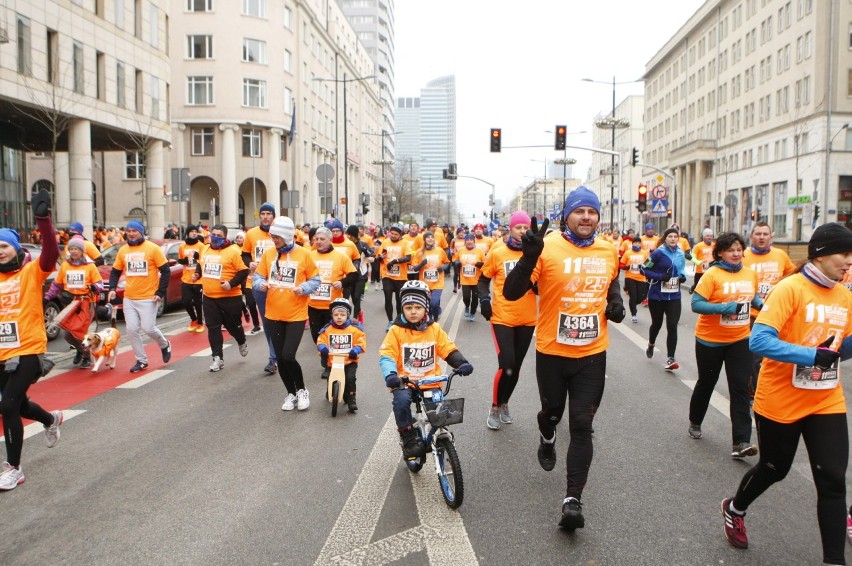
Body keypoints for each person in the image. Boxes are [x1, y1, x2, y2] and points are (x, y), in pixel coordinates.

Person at [720, 223, 852, 566]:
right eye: (844, 254)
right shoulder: (790, 289)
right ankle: (735, 509)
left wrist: (834, 351)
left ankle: (833, 561)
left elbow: (842, 346)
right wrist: (810, 355)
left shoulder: (844, 296)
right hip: (781, 399)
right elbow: (759, 341)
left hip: (825, 398)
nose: (849, 262)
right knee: (774, 468)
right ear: (821, 255)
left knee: (833, 481)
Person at [503, 186, 625, 530]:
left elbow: (611, 281)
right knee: (552, 413)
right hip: (552, 352)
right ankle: (546, 433)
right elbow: (512, 293)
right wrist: (529, 257)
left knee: (583, 426)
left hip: (592, 353)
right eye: (579, 211)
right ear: (566, 216)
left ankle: (572, 500)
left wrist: (615, 301)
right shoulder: (547, 246)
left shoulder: (608, 248)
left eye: (592, 212)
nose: (587, 217)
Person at [0, 190, 63, 491]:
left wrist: (43, 220)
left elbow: (50, 254)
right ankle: (50, 419)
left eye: (4, 247)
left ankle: (14, 468)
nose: (0, 251)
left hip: (28, 348)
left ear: (15, 249)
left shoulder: (30, 273)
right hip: (2, 351)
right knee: (20, 404)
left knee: (8, 404)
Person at [379, 281, 474, 460]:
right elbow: (387, 355)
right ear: (402, 309)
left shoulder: (434, 329)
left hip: (430, 381)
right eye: (408, 307)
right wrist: (391, 375)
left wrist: (461, 363)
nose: (413, 311)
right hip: (405, 382)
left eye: (417, 307)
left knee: (439, 409)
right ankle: (408, 437)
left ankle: (442, 433)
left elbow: (447, 348)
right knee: (401, 403)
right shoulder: (396, 330)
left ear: (426, 309)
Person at [688, 232, 762, 457]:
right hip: (710, 341)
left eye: (739, 249)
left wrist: (765, 305)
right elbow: (696, 303)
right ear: (720, 252)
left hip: (740, 338)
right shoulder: (712, 275)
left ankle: (741, 442)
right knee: (707, 382)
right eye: (731, 250)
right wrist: (725, 308)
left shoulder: (749, 274)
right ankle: (695, 421)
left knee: (740, 387)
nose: (737, 254)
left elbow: (754, 298)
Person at [253, 216, 320, 411]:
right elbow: (257, 276)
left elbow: (316, 281)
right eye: (272, 236)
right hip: (273, 313)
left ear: (287, 236)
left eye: (277, 237)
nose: (273, 240)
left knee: (288, 356)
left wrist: (304, 288)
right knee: (281, 359)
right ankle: (291, 393)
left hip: (296, 314)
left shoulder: (304, 255)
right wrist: (261, 284)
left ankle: (302, 390)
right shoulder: (268, 255)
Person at [478, 211, 537, 430]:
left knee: (516, 368)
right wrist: (484, 300)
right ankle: (494, 407)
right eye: (518, 228)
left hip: (528, 318)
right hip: (502, 316)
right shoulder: (498, 252)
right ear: (510, 229)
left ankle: (505, 403)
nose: (522, 231)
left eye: (525, 228)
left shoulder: (535, 254)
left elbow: (543, 282)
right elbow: (483, 280)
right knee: (507, 364)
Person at [107, 220, 172, 373]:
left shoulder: (152, 249)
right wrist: (112, 288)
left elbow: (166, 271)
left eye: (134, 231)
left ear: (141, 232)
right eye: (128, 231)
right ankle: (141, 360)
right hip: (129, 297)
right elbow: (115, 271)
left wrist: (160, 292)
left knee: (148, 328)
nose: (131, 233)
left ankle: (164, 344)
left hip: (149, 297)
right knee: (131, 330)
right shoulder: (123, 250)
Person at [743, 222, 797, 395]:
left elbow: (793, 276)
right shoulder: (743, 256)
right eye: (758, 234)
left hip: (778, 313)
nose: (761, 237)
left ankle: (771, 387)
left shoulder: (780, 255)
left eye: (765, 234)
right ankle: (756, 389)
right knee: (754, 356)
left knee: (775, 355)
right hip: (752, 314)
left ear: (770, 237)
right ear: (751, 237)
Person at [193, 225, 250, 372]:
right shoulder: (205, 248)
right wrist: (197, 274)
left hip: (230, 297)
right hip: (209, 297)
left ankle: (241, 340)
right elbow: (201, 264)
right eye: (213, 234)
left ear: (225, 237)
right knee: (213, 328)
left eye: (219, 235)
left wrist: (231, 284)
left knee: (233, 327)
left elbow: (244, 271)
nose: (215, 237)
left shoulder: (233, 251)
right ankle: (217, 358)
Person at [43, 236, 104, 368]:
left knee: (79, 333)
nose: (74, 251)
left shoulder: (90, 266)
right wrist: (47, 297)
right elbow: (57, 284)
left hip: (86, 302)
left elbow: (100, 285)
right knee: (68, 335)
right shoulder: (65, 265)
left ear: (82, 251)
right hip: (71, 302)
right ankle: (83, 352)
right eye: (71, 249)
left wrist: (95, 287)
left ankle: (87, 357)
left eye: (76, 249)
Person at [308, 227, 358, 377]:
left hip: (333, 306)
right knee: (317, 336)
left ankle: (329, 365)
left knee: (331, 335)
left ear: (330, 240)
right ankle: (325, 357)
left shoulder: (340, 256)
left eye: (322, 239)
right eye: (316, 239)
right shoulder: (309, 256)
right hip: (313, 304)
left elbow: (354, 275)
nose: (318, 242)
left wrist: (342, 282)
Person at [641, 227, 687, 370]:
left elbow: (682, 269)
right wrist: (660, 277)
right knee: (657, 324)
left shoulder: (680, 253)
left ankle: (670, 358)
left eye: (675, 236)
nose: (673, 239)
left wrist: (683, 276)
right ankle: (651, 344)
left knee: (672, 326)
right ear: (665, 238)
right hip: (657, 295)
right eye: (670, 236)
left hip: (674, 295)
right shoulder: (658, 253)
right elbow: (644, 268)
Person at [316, 298, 365, 412]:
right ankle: (330, 390)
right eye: (336, 314)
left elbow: (361, 341)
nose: (339, 317)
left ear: (347, 315)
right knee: (330, 376)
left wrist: (356, 350)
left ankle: (351, 398)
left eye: (342, 314)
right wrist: (323, 348)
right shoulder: (327, 329)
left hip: (349, 360)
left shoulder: (355, 329)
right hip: (333, 360)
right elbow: (321, 340)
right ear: (332, 315)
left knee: (350, 378)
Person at [376, 223, 412, 331]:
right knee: (387, 297)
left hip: (400, 276)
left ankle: (399, 320)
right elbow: (380, 255)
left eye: (395, 234)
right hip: (387, 275)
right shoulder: (385, 242)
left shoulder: (405, 243)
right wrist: (380, 257)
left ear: (400, 234)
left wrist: (395, 261)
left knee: (399, 300)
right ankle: (390, 321)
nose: (393, 236)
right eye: (391, 233)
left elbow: (408, 257)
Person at [411, 230, 450, 321]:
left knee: (434, 303)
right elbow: (415, 269)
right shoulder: (419, 252)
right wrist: (421, 264)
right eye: (428, 237)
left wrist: (443, 268)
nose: (430, 239)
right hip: (425, 284)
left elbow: (447, 262)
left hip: (437, 282)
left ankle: (434, 319)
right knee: (427, 304)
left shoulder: (440, 250)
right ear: (424, 240)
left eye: (432, 237)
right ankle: (430, 319)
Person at [177, 224, 205, 333]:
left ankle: (200, 323)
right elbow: (180, 259)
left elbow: (204, 260)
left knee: (198, 302)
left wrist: (198, 258)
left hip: (198, 278)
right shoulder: (182, 246)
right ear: (188, 233)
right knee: (186, 301)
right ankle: (193, 319)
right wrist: (183, 261)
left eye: (196, 231)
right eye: (192, 231)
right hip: (186, 278)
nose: (194, 233)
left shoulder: (201, 246)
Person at [234, 230, 261, 334]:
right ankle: (256, 324)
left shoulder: (252, 249)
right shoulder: (234, 248)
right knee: (250, 302)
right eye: (238, 238)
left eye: (241, 238)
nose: (240, 240)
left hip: (261, 276)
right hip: (247, 278)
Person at [455, 234, 485, 321]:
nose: (469, 241)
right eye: (467, 240)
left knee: (475, 298)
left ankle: (472, 313)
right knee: (466, 297)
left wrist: (476, 263)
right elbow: (456, 260)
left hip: (477, 280)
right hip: (465, 279)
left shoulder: (479, 251)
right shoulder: (461, 251)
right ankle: (467, 306)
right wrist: (457, 263)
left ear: (474, 241)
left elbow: (485, 264)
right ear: (465, 241)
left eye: (471, 240)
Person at [619, 236, 649, 324]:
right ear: (632, 244)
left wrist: (644, 267)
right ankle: (634, 314)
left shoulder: (644, 253)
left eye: (639, 243)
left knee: (641, 297)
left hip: (641, 277)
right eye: (635, 243)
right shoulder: (628, 253)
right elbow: (621, 264)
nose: (637, 244)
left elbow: (649, 263)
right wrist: (626, 267)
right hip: (630, 277)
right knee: (633, 296)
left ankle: (633, 304)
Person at [688, 228, 715, 294]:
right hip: (700, 270)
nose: (709, 237)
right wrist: (697, 262)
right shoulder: (698, 246)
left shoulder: (714, 245)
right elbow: (692, 256)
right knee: (697, 286)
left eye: (711, 236)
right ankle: (693, 287)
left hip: (711, 270)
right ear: (703, 237)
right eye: (707, 236)